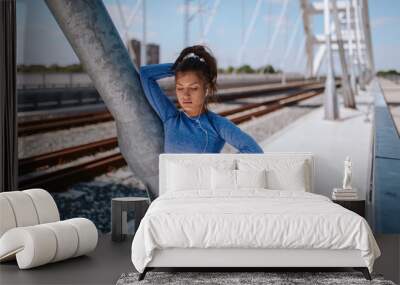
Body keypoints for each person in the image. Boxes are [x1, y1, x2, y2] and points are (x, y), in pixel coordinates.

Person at [138, 44, 264, 154]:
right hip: (168, 182)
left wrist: (222, 168)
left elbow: (254, 150)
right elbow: (145, 74)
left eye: (193, 88)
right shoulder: (171, 118)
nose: (185, 95)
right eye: (180, 88)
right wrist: (179, 68)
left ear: (206, 89)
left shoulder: (217, 124)